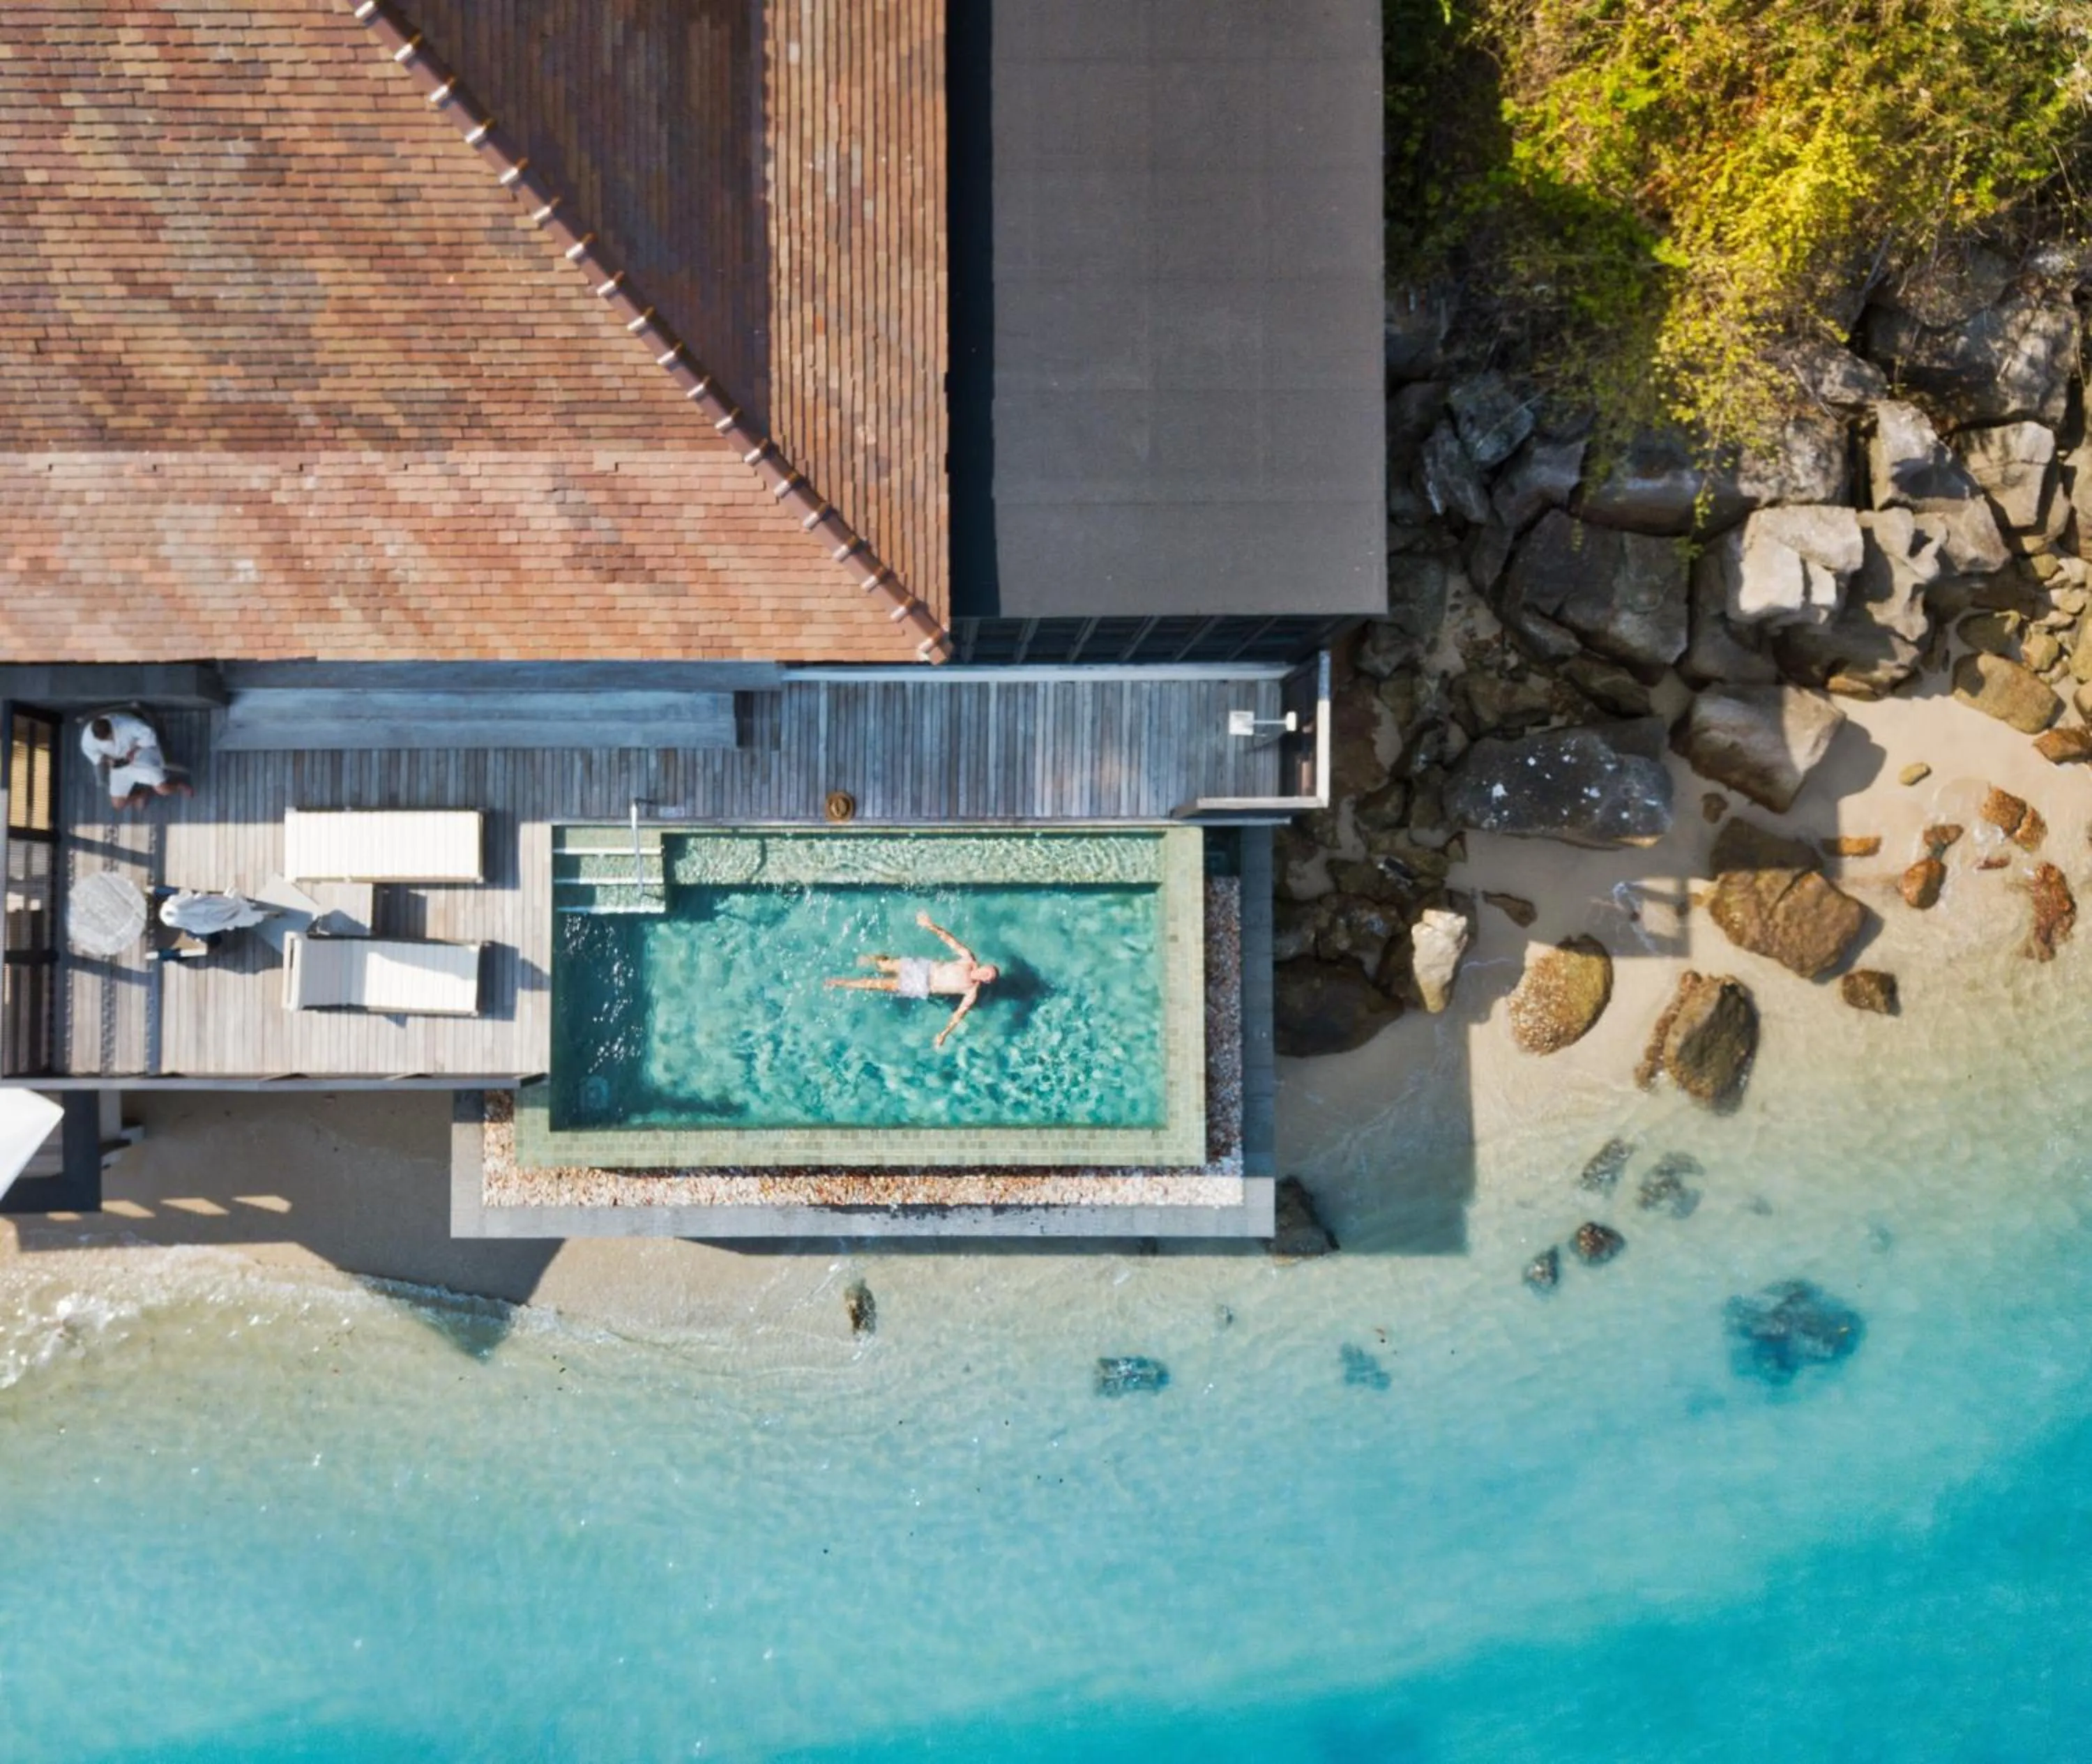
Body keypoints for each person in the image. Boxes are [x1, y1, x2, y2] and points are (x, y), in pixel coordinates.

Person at [826, 911, 1001, 1049]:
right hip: (922, 968)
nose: (984, 974)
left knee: (876, 985)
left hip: (921, 985)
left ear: (986, 982)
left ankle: (840, 982)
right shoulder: (968, 960)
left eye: (988, 977)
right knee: (885, 965)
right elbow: (950, 940)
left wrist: (944, 1034)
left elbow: (959, 1014)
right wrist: (930, 926)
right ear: (983, 966)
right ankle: (868, 959)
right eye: (987, 970)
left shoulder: (971, 991)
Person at [79, 713, 192, 811]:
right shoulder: (89, 735)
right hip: (118, 765)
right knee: (118, 804)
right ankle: (142, 794)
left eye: (109, 738)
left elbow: (150, 735)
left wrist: (134, 749)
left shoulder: (128, 724)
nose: (108, 741)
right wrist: (107, 759)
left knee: (164, 790)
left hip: (141, 756)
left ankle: (179, 786)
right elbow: (91, 752)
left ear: (111, 728)